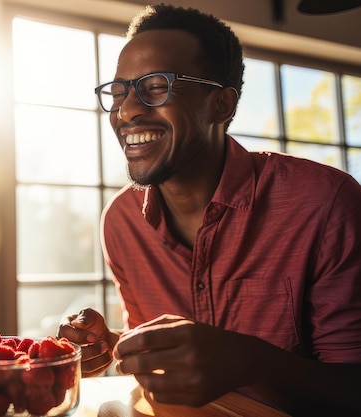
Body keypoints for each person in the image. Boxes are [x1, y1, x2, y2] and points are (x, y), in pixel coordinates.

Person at [57, 4, 361, 416]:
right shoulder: (121, 222)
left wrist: (252, 363)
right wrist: (113, 346)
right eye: (118, 91)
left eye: (155, 86)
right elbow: (165, 358)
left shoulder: (325, 204)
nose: (126, 111)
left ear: (222, 105)